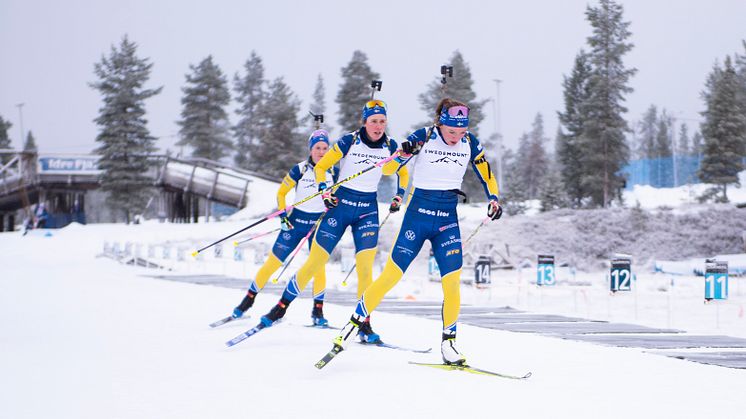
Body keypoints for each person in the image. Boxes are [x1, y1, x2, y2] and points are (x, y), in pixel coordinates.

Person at [332, 98, 502, 365]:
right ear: (440, 124)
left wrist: (494, 198)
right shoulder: (424, 136)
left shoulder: (470, 142)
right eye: (452, 132)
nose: (457, 137)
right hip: (417, 217)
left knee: (452, 282)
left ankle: (449, 344)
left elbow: (487, 173)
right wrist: (403, 153)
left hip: (447, 219)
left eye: (461, 132)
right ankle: (353, 325)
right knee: (391, 275)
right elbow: (388, 169)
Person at [258, 100, 409, 343]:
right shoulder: (349, 141)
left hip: (367, 210)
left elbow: (398, 171)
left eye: (382, 121)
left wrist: (400, 194)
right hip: (340, 207)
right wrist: (324, 191)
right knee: (315, 262)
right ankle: (280, 308)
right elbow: (323, 167)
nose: (378, 126)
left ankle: (364, 324)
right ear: (364, 122)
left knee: (365, 269)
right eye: (373, 121)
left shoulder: (391, 145)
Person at [230, 129, 338, 325]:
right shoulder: (300, 169)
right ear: (310, 149)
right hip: (295, 222)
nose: (321, 152)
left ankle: (318, 312)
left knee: (318, 268)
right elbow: (281, 193)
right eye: (317, 148)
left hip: (318, 225)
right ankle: (246, 303)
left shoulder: (334, 172)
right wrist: (282, 216)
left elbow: (339, 197)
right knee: (272, 263)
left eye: (325, 148)